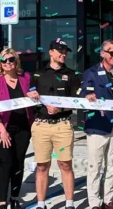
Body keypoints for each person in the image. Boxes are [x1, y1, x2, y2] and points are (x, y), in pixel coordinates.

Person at [27, 40, 80, 209]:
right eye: (60, 51)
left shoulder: (71, 75)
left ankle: (69, 204)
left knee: (65, 164)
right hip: (41, 125)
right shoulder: (38, 73)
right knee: (42, 165)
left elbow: (75, 101)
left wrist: (60, 109)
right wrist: (31, 93)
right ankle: (41, 204)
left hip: (62, 124)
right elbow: (29, 92)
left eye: (65, 51)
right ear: (50, 52)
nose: (63, 54)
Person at [80, 40, 113, 209]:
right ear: (102, 53)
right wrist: (88, 95)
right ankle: (94, 202)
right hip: (98, 125)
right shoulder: (91, 72)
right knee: (95, 165)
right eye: (111, 53)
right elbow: (84, 91)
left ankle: (109, 199)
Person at [0, 49, 34, 209]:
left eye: (11, 59)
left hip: (23, 128)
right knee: (5, 163)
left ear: (16, 61)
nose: (8, 62)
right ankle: (2, 202)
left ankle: (14, 198)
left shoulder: (26, 78)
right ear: (0, 63)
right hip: (2, 127)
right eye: (4, 60)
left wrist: (35, 95)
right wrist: (2, 130)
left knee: (18, 163)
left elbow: (34, 97)